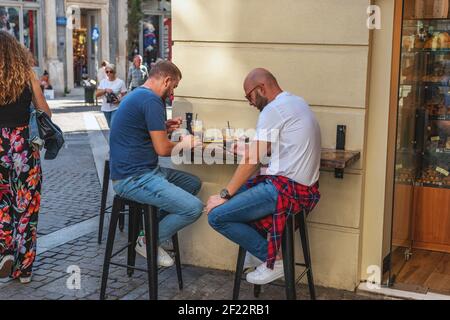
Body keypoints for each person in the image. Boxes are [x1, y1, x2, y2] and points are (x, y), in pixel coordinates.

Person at [206, 68, 321, 285]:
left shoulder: (273, 110)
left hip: (285, 190)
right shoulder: (296, 102)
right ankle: (258, 250)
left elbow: (252, 160)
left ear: (261, 88)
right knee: (240, 193)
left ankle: (273, 259)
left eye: (249, 95)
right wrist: (251, 150)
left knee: (217, 215)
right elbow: (277, 147)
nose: (249, 101)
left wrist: (224, 194)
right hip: (304, 189)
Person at [110, 60, 203, 267]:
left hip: (143, 171)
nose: (173, 93)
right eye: (174, 87)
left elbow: (140, 130)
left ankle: (150, 229)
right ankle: (149, 240)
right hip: (133, 178)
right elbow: (162, 149)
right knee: (194, 208)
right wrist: (186, 144)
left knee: (193, 183)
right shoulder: (152, 100)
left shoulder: (138, 94)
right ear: (167, 80)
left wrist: (164, 127)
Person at [0, 31, 52, 283]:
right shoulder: (26, 75)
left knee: (2, 204)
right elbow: (45, 112)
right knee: (27, 206)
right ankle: (24, 269)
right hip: (23, 147)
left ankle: (5, 251)